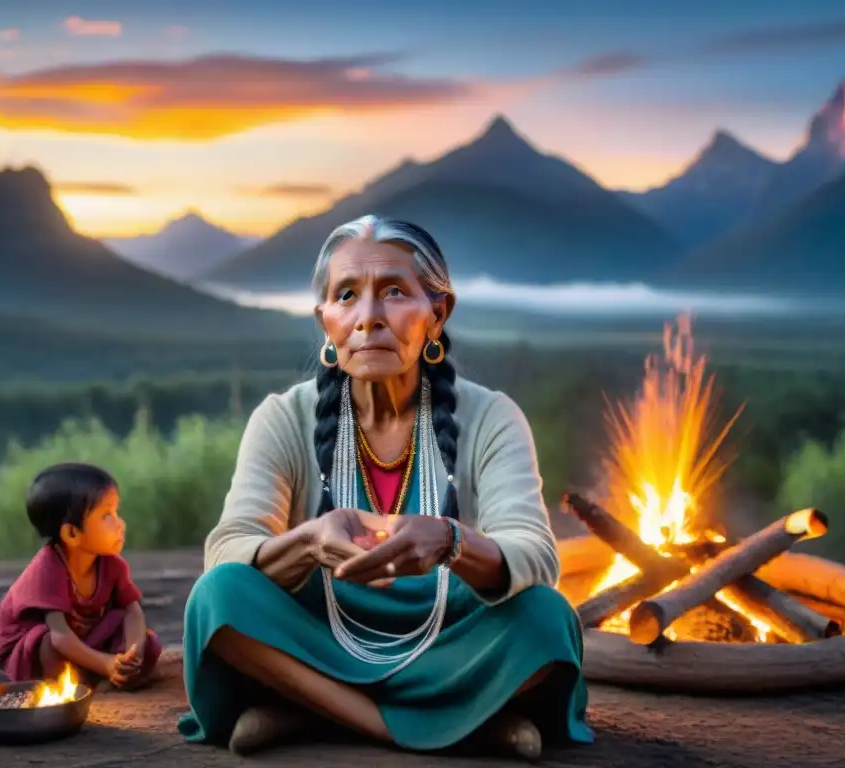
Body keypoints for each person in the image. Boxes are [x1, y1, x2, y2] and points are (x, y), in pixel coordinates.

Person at [178, 215, 592, 759]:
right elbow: (228, 552)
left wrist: (449, 540)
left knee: (548, 620)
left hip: (449, 643)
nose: (368, 318)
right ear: (325, 319)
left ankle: (306, 709)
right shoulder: (283, 418)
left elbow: (535, 555)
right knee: (216, 598)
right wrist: (308, 542)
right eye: (346, 295)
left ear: (437, 314)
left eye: (394, 293)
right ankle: (446, 725)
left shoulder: (491, 417)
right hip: (319, 638)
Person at [0, 462, 162, 688]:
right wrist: (106, 663)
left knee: (146, 641)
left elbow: (132, 612)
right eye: (107, 515)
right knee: (46, 643)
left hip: (84, 639)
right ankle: (81, 679)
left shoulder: (112, 565)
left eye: (116, 512)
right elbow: (60, 636)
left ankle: (102, 675)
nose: (120, 524)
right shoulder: (47, 570)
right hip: (36, 648)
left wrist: (132, 653)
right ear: (72, 533)